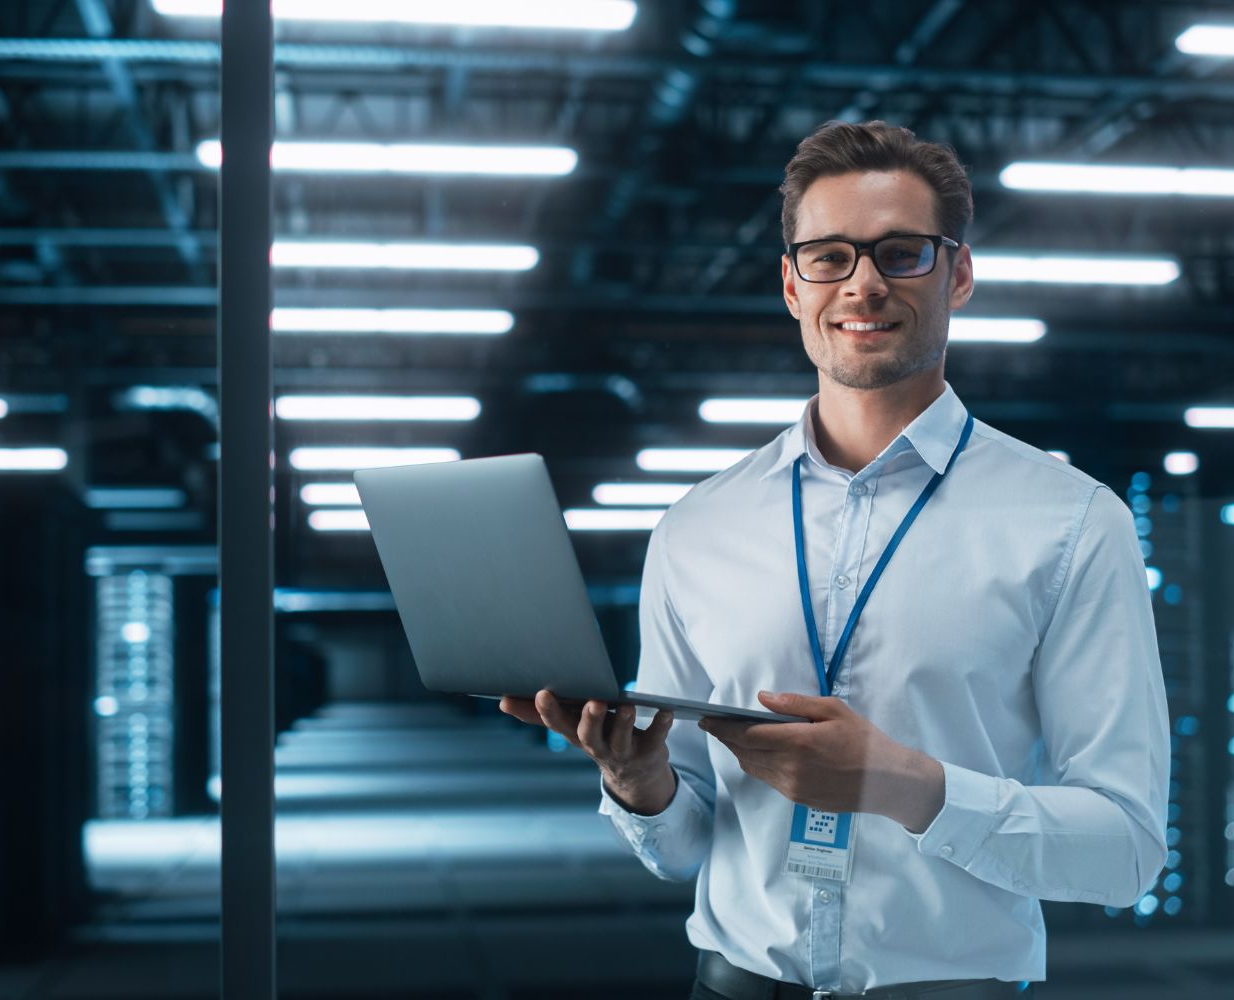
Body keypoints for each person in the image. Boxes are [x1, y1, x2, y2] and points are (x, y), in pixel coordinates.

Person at [500, 119, 1169, 999]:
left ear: (958, 274)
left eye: (901, 253)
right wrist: (641, 782)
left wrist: (906, 786)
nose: (862, 283)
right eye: (829, 256)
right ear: (791, 284)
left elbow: (1125, 850)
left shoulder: (1072, 523)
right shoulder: (700, 525)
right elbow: (689, 845)